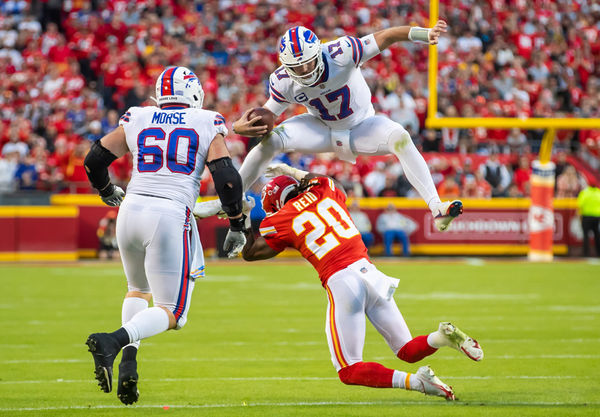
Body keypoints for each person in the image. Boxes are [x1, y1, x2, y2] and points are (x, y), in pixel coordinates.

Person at [239, 163, 483, 400]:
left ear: (277, 203)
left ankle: (419, 382)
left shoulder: (279, 219)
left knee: (349, 369)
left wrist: (241, 219)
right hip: (371, 273)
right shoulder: (324, 187)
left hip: (342, 280)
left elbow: (250, 253)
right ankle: (442, 337)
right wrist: (295, 172)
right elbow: (334, 184)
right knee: (407, 350)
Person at [195, 22, 463, 233]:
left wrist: (422, 34)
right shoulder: (283, 80)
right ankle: (231, 199)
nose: (303, 71)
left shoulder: (342, 52)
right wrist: (241, 127)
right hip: (320, 127)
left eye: (308, 63)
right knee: (272, 140)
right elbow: (266, 117)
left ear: (318, 52)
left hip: (362, 126)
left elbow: (388, 35)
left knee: (401, 139)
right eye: (296, 67)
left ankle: (436, 207)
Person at [82, 66, 246, 405]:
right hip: (169, 214)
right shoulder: (206, 121)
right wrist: (236, 223)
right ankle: (113, 342)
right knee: (174, 313)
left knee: (137, 290)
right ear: (195, 94)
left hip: (130, 209)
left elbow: (94, 159)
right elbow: (227, 179)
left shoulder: (140, 116)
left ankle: (129, 363)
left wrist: (104, 189)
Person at [577, 181, 600, 257]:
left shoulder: (584, 193)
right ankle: (598, 253)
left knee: (586, 236)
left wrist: (579, 217)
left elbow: (580, 205)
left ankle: (586, 254)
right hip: (597, 217)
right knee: (597, 236)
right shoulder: (598, 193)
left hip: (586, 217)